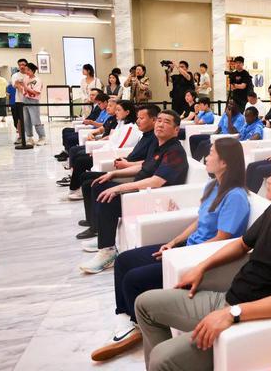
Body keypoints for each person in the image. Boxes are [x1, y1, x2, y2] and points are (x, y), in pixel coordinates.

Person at [135, 151, 271, 370]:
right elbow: (242, 244)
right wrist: (202, 267)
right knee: (144, 304)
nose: (268, 180)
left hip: (247, 319)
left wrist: (232, 314)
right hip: (226, 299)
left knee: (161, 358)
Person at [90, 138, 250, 361]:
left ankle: (137, 325)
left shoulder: (236, 197)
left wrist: (178, 253)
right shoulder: (212, 186)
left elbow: (221, 239)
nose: (206, 157)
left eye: (212, 153)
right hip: (187, 248)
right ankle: (125, 318)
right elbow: (199, 221)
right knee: (124, 260)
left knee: (134, 279)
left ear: (224, 162)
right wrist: (174, 242)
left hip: (198, 257)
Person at [78, 110, 189, 273]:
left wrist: (119, 188)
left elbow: (156, 182)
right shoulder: (157, 145)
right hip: (142, 193)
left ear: (176, 130)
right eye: (159, 120)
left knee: (109, 199)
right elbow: (144, 167)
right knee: (99, 184)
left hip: (156, 200)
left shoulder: (175, 151)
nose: (160, 124)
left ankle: (108, 252)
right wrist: (113, 174)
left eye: (166, 122)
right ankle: (103, 236)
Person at [75, 105, 160, 238]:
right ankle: (92, 220)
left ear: (153, 120)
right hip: (127, 167)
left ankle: (96, 227)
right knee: (86, 177)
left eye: (141, 118)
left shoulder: (155, 138)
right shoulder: (145, 135)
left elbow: (148, 163)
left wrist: (127, 164)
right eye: (138, 118)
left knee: (91, 183)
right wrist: (124, 160)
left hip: (133, 173)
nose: (138, 121)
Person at [66, 101, 140, 199]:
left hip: (113, 156)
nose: (116, 112)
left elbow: (120, 147)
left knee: (81, 161)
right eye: (116, 110)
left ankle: (76, 189)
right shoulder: (120, 124)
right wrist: (97, 151)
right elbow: (110, 142)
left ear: (127, 112)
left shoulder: (130, 127)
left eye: (118, 110)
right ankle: (75, 187)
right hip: (106, 153)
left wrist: (99, 153)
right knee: (79, 157)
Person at [22, 63, 47, 146]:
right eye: (26, 70)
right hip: (25, 100)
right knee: (26, 120)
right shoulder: (25, 78)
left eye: (28, 70)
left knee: (35, 120)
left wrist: (26, 87)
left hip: (33, 101)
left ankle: (42, 137)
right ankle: (29, 138)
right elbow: (24, 90)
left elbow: (36, 92)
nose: (26, 71)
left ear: (33, 70)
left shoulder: (37, 80)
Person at [10, 58, 29, 144]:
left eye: (23, 65)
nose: (22, 66)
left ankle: (30, 137)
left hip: (30, 100)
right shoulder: (15, 75)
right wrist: (23, 88)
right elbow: (15, 85)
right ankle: (21, 137)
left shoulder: (29, 75)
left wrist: (21, 85)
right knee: (19, 120)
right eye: (20, 65)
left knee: (30, 119)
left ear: (26, 65)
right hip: (19, 100)